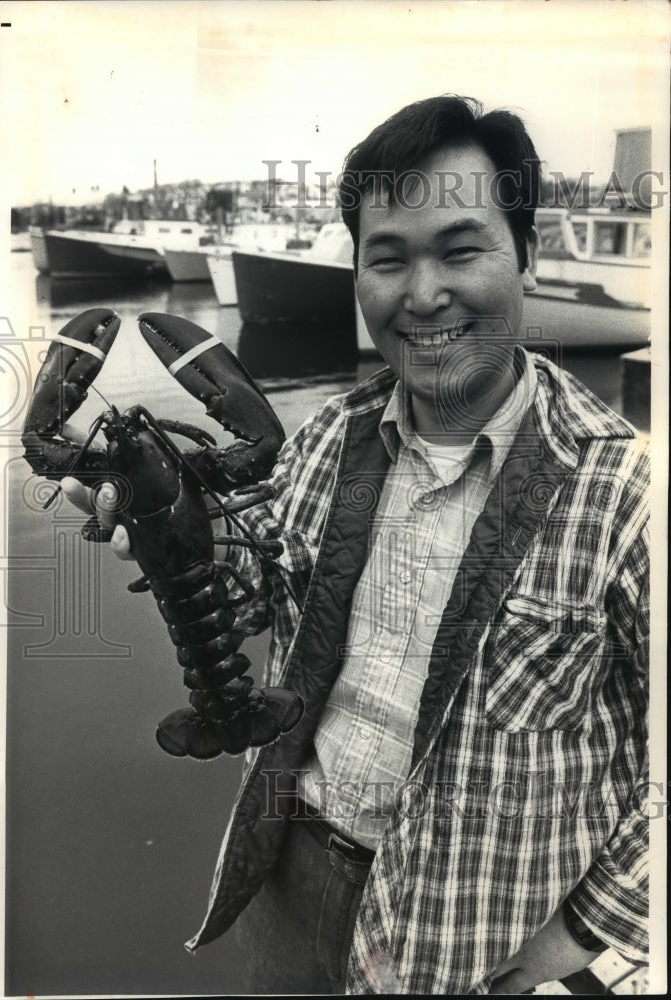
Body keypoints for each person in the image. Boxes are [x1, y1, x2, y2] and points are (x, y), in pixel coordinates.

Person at [63, 96, 649, 994]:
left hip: (480, 938)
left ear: (526, 253)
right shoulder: (328, 434)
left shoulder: (631, 492)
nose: (423, 294)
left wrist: (582, 934)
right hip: (289, 876)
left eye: (461, 249)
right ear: (360, 275)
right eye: (388, 258)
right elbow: (261, 593)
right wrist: (174, 542)